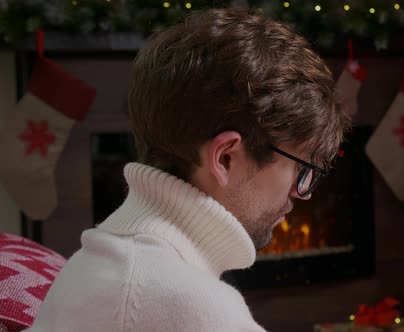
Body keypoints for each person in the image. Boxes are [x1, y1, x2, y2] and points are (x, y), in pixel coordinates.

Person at [26, 7, 350, 332]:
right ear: (225, 158)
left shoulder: (95, 260)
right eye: (301, 170)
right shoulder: (194, 305)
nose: (301, 194)